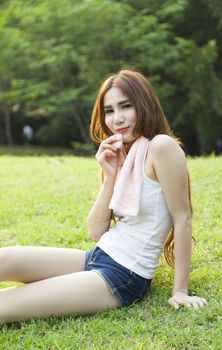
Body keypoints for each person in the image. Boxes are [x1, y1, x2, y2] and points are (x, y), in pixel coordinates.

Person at [0, 69, 207, 324]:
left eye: (126, 106)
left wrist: (180, 291)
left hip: (123, 275)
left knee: (5, 303)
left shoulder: (161, 147)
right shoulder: (125, 155)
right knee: (4, 258)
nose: (117, 119)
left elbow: (183, 218)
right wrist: (109, 176)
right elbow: (96, 232)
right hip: (96, 256)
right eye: (109, 111)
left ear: (144, 105)